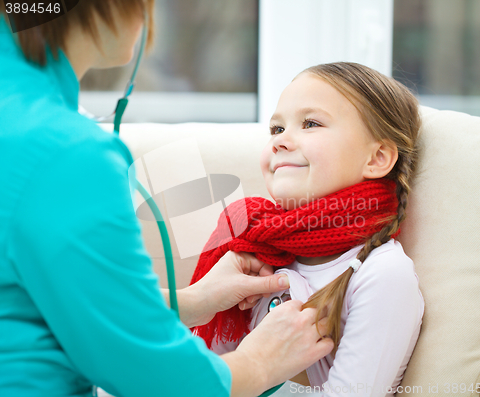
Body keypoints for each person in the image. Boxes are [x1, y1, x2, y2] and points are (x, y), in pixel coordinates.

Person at [0, 2, 334, 397]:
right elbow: (147, 375)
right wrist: (257, 364)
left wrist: (191, 302)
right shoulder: (64, 152)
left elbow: (45, 298)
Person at [190, 62, 425, 396]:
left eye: (310, 123)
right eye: (275, 129)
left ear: (376, 158)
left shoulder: (383, 273)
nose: (281, 141)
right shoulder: (256, 254)